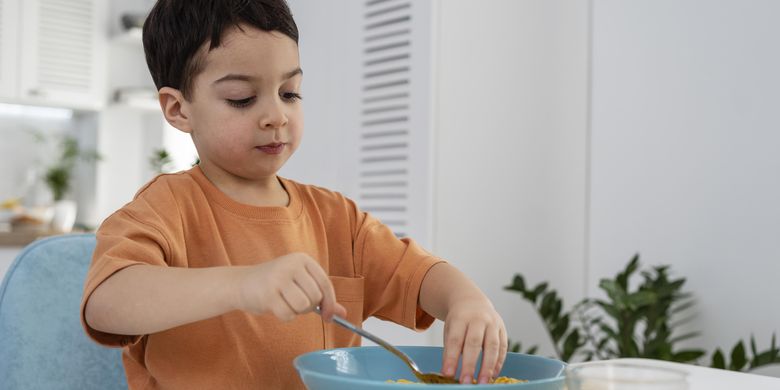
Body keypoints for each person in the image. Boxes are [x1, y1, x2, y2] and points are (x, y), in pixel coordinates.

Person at [81, 0, 507, 388]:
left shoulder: (337, 218)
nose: (276, 116)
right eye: (242, 99)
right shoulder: (164, 207)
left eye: (290, 93)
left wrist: (465, 299)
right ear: (178, 109)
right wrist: (243, 284)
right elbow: (106, 303)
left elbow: (417, 275)